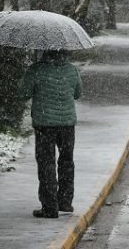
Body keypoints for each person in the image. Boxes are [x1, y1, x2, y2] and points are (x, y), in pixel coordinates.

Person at [18, 49, 83, 219]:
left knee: (46, 162)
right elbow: (78, 93)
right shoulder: (72, 69)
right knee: (66, 161)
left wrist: (30, 74)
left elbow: (23, 93)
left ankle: (49, 206)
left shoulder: (36, 69)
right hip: (67, 125)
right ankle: (65, 202)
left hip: (44, 124)